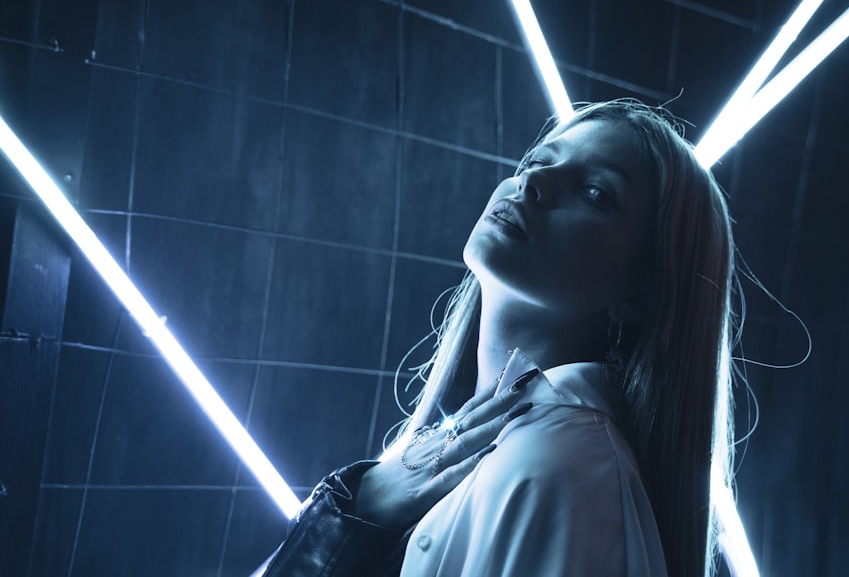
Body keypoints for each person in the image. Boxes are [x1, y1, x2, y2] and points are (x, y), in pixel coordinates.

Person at [262, 99, 736, 577]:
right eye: (538, 161)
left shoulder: (561, 473)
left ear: (639, 292)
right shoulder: (498, 461)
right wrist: (357, 510)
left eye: (596, 192)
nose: (533, 181)